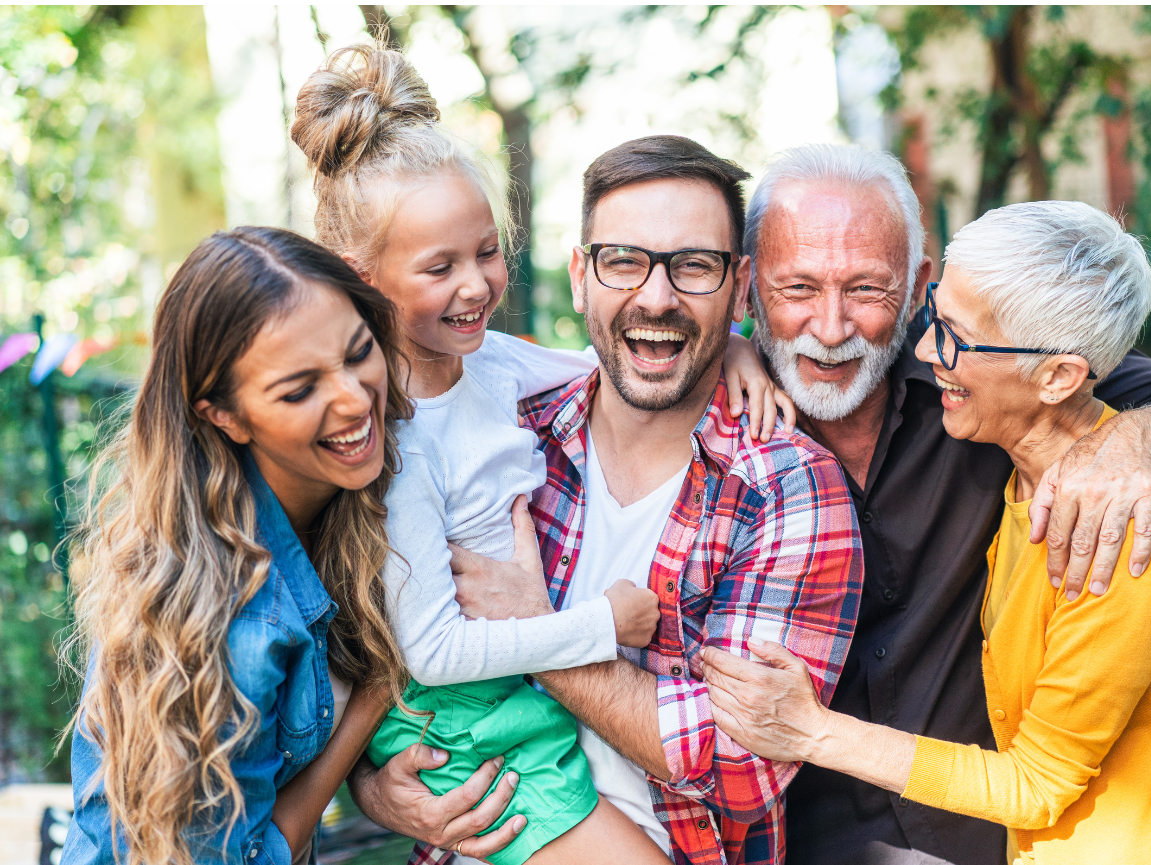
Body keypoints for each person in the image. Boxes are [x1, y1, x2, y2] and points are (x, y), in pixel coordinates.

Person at [290, 50, 794, 864]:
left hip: (514, 706)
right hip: (464, 715)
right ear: (364, 279)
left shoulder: (492, 365)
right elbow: (430, 651)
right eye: (440, 267)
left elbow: (620, 356)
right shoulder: (398, 443)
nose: (476, 285)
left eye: (486, 252)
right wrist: (600, 627)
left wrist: (733, 346)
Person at [352, 134, 864, 865]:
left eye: (695, 266)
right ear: (580, 276)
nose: (656, 297)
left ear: (740, 286)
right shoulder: (507, 429)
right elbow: (374, 631)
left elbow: (741, 763)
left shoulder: (785, 487)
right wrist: (373, 787)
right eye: (623, 260)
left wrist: (538, 629)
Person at [736, 144, 1151, 865]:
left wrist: (1144, 434)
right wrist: (728, 351)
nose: (830, 325)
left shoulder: (1101, 494)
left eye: (867, 289)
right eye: (795, 288)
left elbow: (1038, 780)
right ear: (747, 288)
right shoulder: (1010, 460)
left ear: (914, 286)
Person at [62, 227, 416, 864]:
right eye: (299, 390)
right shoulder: (235, 620)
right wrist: (372, 699)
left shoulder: (337, 489)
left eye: (359, 351)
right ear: (223, 414)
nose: (354, 398)